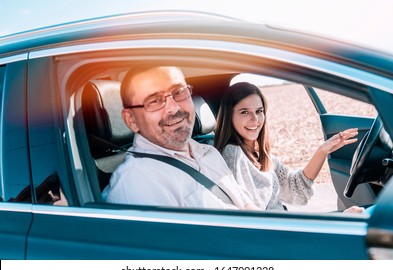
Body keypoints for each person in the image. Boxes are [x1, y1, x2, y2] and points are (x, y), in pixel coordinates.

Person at [103, 66, 258, 210]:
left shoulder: (208, 151)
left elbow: (245, 205)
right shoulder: (137, 183)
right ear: (131, 120)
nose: (174, 108)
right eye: (154, 101)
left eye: (178, 92)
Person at [214, 82, 361, 211]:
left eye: (259, 111)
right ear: (229, 115)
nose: (255, 119)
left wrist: (322, 151)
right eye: (245, 112)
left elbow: (295, 188)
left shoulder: (259, 154)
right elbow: (255, 219)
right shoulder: (233, 155)